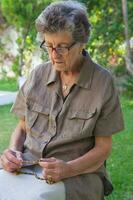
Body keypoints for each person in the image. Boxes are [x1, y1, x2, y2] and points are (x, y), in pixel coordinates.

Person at [0, 1, 124, 200]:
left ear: (81, 43)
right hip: (27, 166)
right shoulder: (37, 75)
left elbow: (104, 148)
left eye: (62, 47)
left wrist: (68, 169)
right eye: (48, 46)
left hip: (78, 175)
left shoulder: (102, 83)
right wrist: (13, 152)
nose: (53, 55)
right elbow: (22, 128)